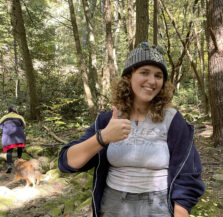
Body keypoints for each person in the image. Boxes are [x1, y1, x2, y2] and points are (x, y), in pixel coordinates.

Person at [58, 42, 205, 217]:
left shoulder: (173, 120)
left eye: (158, 75)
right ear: (129, 76)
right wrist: (103, 137)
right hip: (113, 205)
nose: (152, 81)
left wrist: (181, 211)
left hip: (158, 206)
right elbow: (67, 163)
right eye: (144, 72)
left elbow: (188, 172)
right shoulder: (107, 120)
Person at [0, 104, 26, 173]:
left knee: (9, 150)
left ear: (8, 110)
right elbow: (24, 126)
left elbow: (1, 126)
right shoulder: (20, 117)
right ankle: (19, 160)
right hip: (19, 135)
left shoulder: (4, 117)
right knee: (19, 147)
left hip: (8, 135)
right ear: (15, 110)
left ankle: (9, 165)